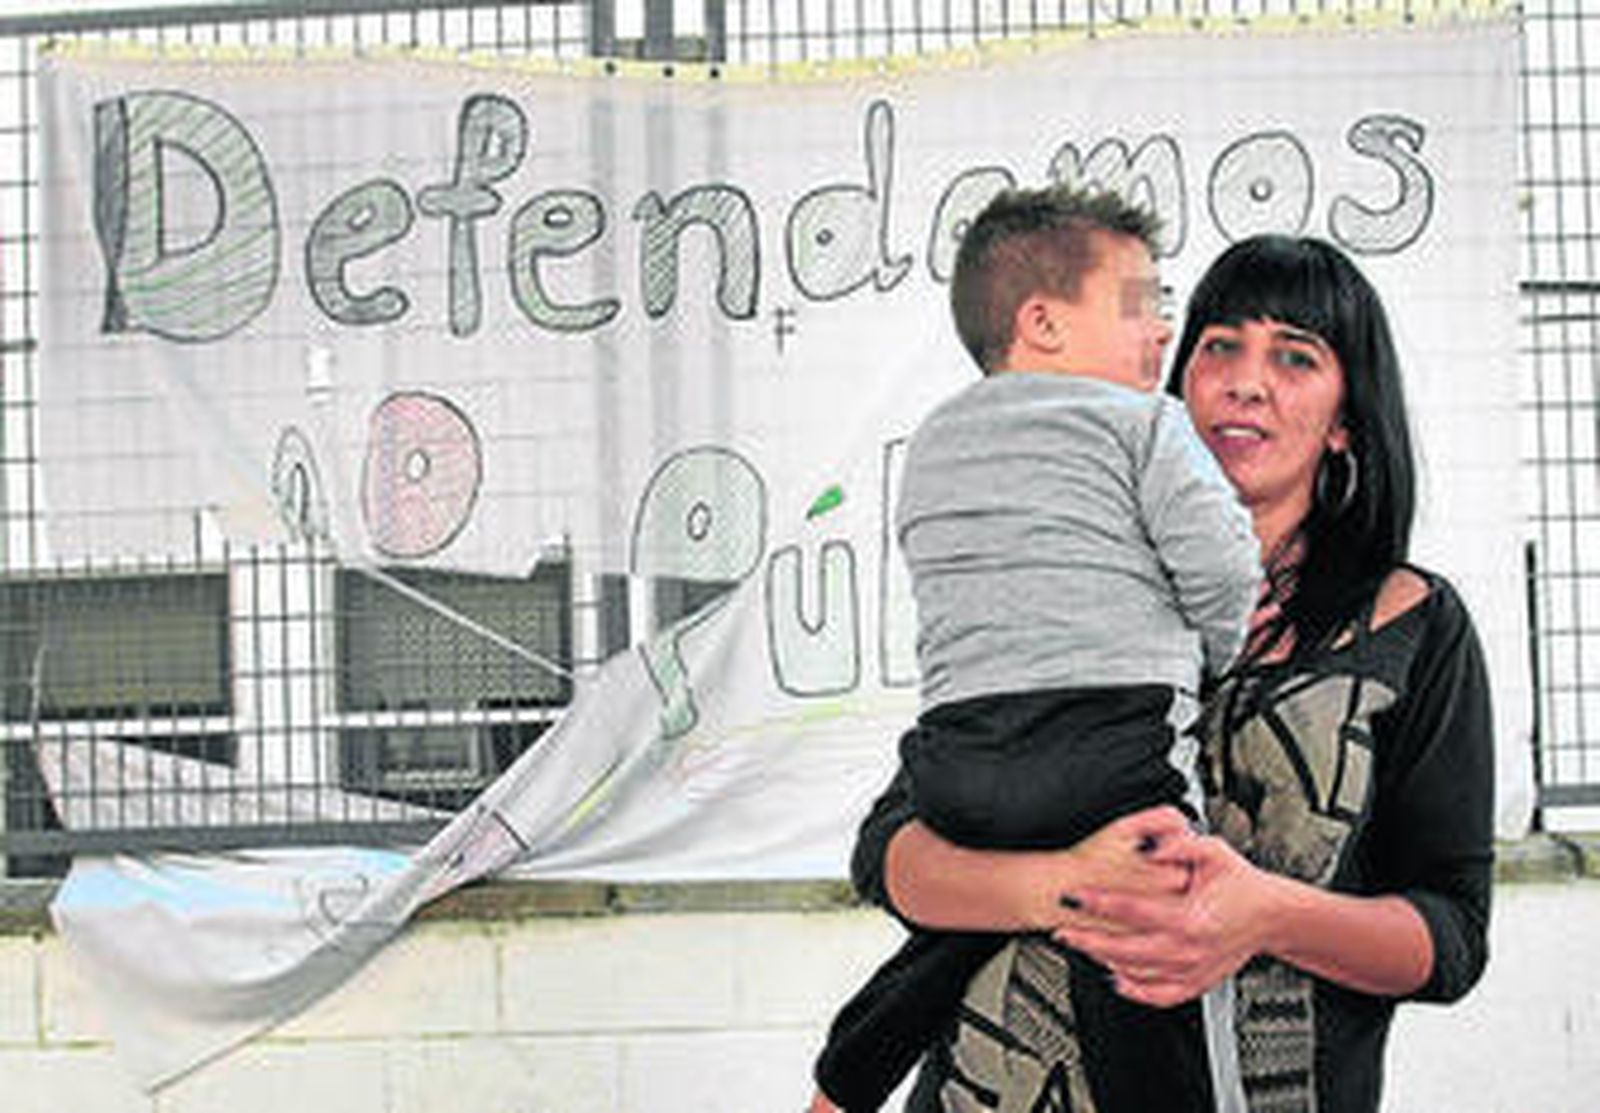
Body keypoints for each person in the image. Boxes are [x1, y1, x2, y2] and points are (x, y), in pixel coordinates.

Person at [834, 234, 1495, 1113]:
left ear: (1345, 419)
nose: (1244, 381)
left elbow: (1449, 938)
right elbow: (892, 852)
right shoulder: (1064, 569)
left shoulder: (1415, 626)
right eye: (1219, 345)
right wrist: (1066, 884)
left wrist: (1265, 914)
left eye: (1295, 357)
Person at [809, 185, 1261, 1113]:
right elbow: (1219, 565)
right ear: (1044, 322)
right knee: (1144, 929)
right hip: (1107, 749)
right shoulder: (1146, 424)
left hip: (961, 761)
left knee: (952, 933)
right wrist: (1214, 652)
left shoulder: (932, 443)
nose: (1160, 328)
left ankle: (842, 1085)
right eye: (1139, 302)